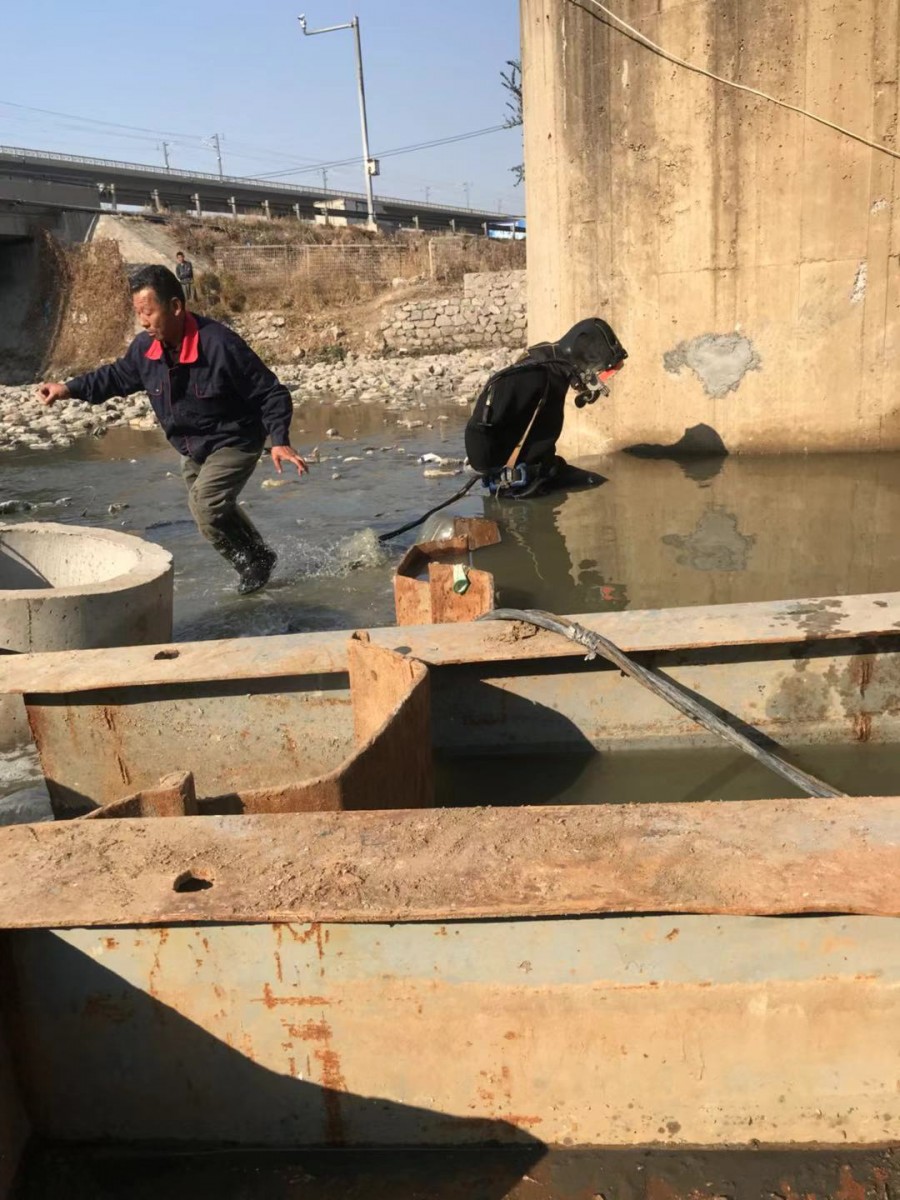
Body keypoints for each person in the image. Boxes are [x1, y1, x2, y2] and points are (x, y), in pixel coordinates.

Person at [37, 264, 307, 595]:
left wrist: (279, 440)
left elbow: (271, 393)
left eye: (148, 312)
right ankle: (259, 556)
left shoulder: (220, 344)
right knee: (210, 515)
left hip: (235, 439)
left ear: (176, 307)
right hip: (191, 446)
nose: (142, 322)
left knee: (206, 505)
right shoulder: (145, 349)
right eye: (138, 313)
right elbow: (116, 377)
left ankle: (252, 566)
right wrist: (68, 388)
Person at [464, 317, 627, 498]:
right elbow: (477, 431)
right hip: (517, 488)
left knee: (601, 485)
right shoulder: (529, 375)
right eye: (600, 374)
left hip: (546, 473)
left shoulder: (555, 374)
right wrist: (495, 472)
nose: (598, 382)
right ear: (583, 357)